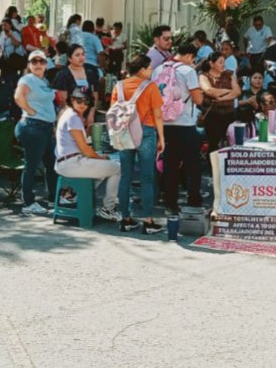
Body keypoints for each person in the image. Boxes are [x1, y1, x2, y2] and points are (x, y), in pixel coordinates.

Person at [114, 54, 165, 233]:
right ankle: (148, 220)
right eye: (150, 68)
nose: (152, 71)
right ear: (142, 69)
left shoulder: (119, 86)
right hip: (146, 132)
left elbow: (115, 112)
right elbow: (158, 114)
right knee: (147, 179)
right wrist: (162, 138)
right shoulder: (150, 87)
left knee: (125, 177)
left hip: (124, 134)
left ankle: (125, 218)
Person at [54, 88, 121, 222]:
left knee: (102, 170)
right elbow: (85, 149)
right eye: (79, 100)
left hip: (66, 161)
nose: (82, 104)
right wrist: (101, 157)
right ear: (72, 100)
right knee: (117, 167)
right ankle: (108, 208)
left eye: (86, 101)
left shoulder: (67, 113)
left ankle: (73, 197)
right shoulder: (73, 117)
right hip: (71, 163)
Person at [154, 41, 204, 215]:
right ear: (190, 56)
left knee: (170, 165)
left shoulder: (159, 70)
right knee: (193, 166)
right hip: (185, 125)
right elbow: (198, 100)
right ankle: (194, 200)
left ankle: (170, 204)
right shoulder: (188, 71)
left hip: (164, 124)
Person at [15, 49, 58, 215]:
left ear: (46, 64)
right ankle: (28, 202)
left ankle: (53, 197)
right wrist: (30, 111)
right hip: (33, 126)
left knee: (51, 163)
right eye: (34, 61)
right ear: (29, 65)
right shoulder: (27, 79)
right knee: (31, 165)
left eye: (41, 61)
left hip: (45, 127)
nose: (38, 64)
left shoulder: (45, 81)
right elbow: (18, 97)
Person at [198, 56, 242, 153]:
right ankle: (213, 167)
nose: (223, 65)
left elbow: (237, 91)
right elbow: (209, 91)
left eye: (224, 62)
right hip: (212, 116)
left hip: (229, 115)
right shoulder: (203, 76)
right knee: (214, 144)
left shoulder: (229, 75)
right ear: (212, 64)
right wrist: (228, 91)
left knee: (230, 143)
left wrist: (222, 98)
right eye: (220, 62)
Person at [53, 44, 100, 128]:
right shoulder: (63, 74)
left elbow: (95, 95)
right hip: (69, 115)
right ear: (69, 58)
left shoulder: (90, 72)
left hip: (88, 115)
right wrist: (78, 115)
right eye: (77, 55)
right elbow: (62, 100)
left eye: (82, 54)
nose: (81, 57)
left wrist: (91, 113)